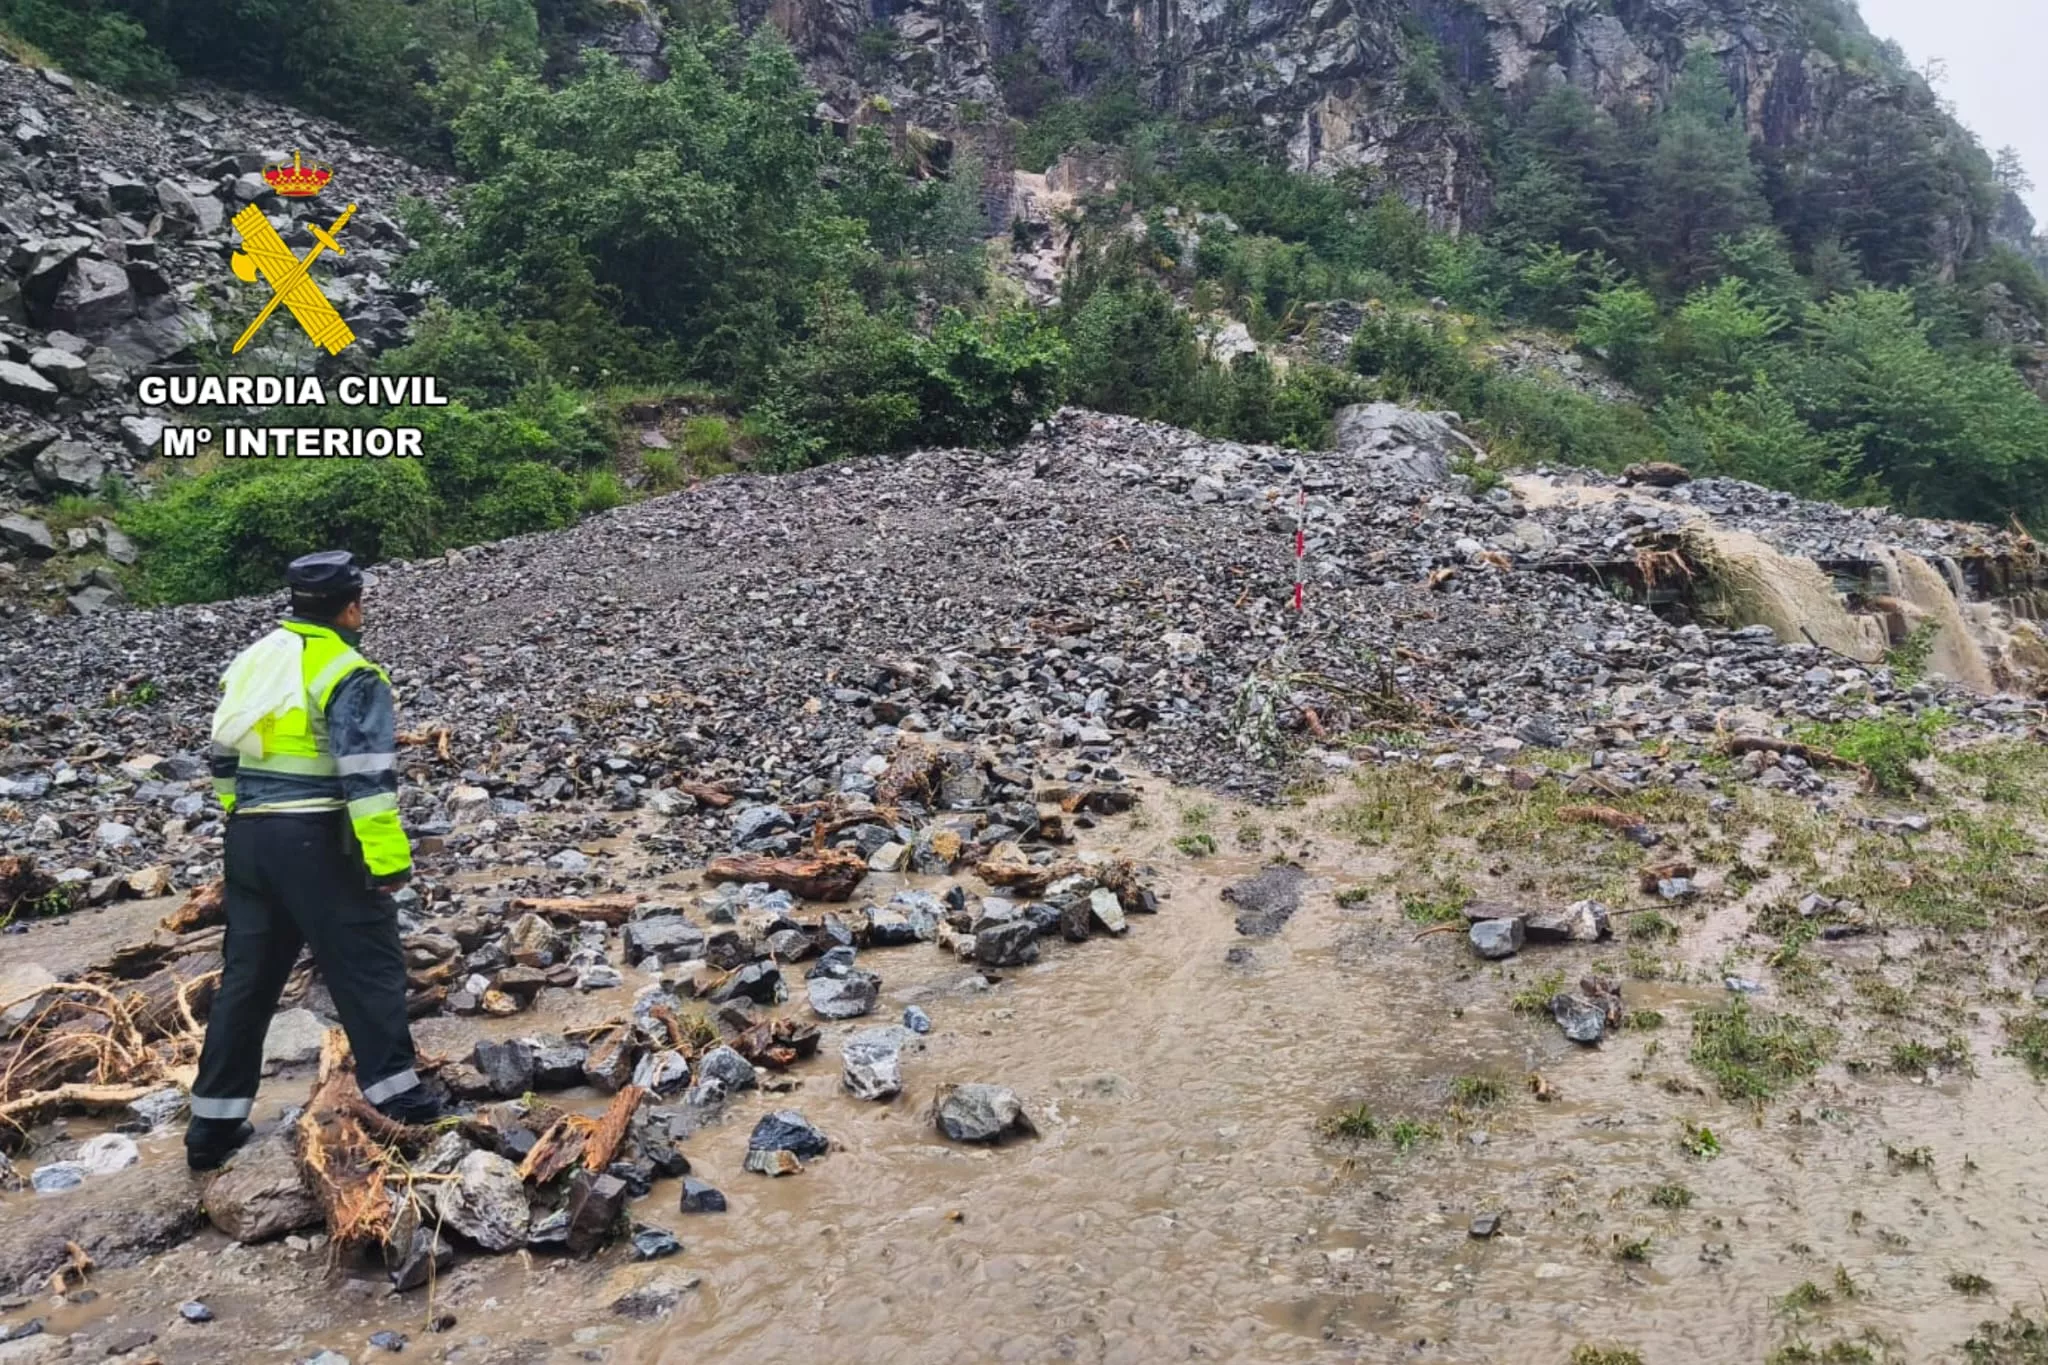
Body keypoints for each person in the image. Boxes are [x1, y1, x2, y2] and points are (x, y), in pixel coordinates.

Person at [186, 550, 440, 1171]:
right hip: (318, 837)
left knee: (247, 982)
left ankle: (212, 1129)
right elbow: (366, 778)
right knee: (367, 961)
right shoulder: (349, 671)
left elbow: (222, 754)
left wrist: (239, 816)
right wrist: (386, 860)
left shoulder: (253, 660)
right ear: (351, 607)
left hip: (249, 837)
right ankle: (398, 1098)